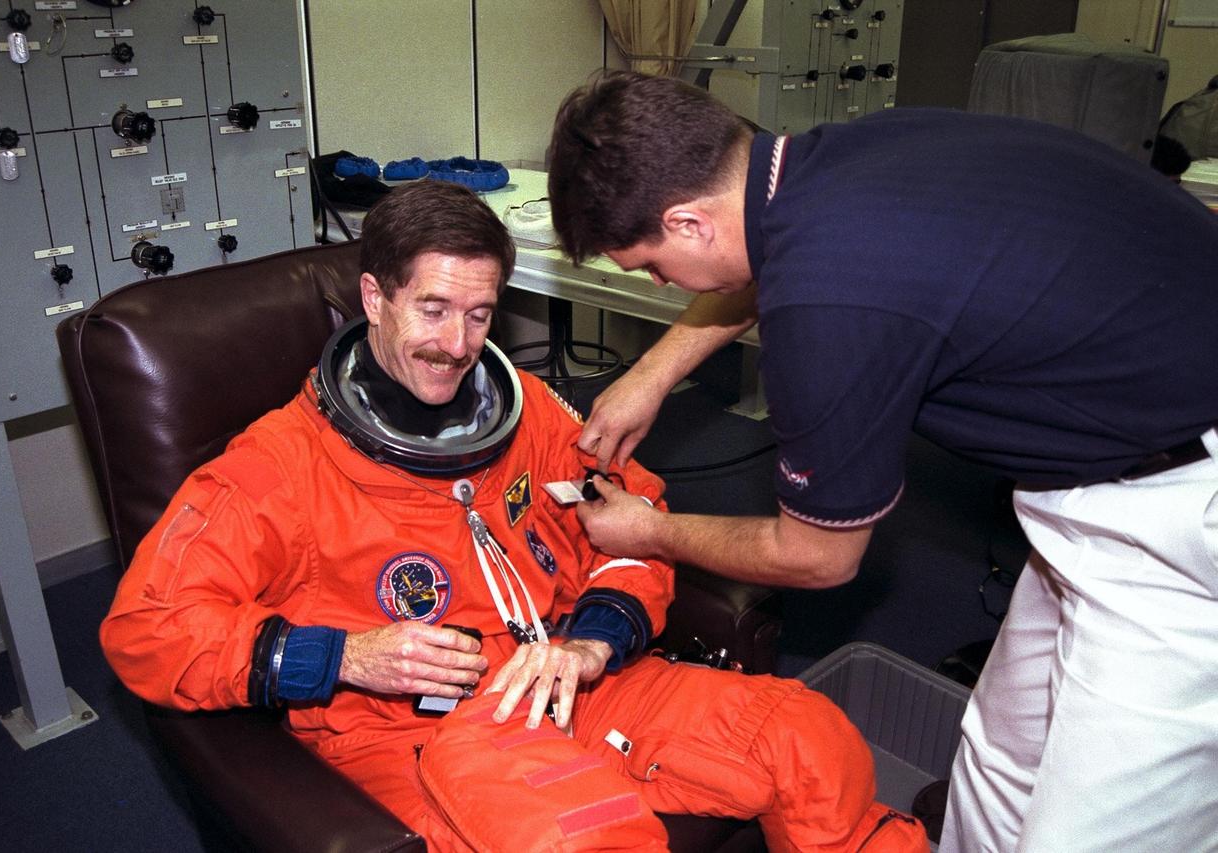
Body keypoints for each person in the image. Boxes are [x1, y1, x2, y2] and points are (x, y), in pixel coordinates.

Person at [99, 181, 927, 852]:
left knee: (805, 738)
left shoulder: (526, 409)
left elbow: (635, 519)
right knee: (573, 837)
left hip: (572, 682)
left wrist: (594, 639)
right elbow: (147, 631)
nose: (457, 345)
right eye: (432, 309)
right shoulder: (276, 468)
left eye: (481, 314)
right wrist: (350, 655)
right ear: (373, 298)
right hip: (415, 736)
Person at [545, 71, 1218, 852]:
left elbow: (817, 555)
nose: (660, 285)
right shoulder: (830, 159)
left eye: (651, 268)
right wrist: (650, 375)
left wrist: (650, 533)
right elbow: (775, 262)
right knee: (999, 756)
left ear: (689, 221)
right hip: (1111, 450)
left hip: (1182, 507)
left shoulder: (827, 307)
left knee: (1091, 833)